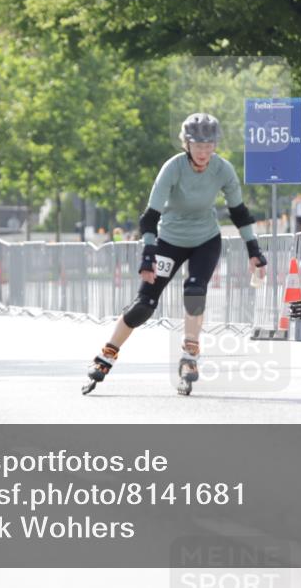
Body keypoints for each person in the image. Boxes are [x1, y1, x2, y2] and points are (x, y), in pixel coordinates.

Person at [82, 113, 268, 396]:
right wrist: (148, 254)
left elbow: (239, 213)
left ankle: (189, 356)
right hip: (169, 240)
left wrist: (254, 250)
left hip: (205, 239)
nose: (204, 152)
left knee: (195, 291)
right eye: (198, 145)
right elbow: (149, 217)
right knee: (144, 305)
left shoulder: (223, 169)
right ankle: (107, 355)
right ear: (187, 144)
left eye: (210, 145)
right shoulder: (173, 168)